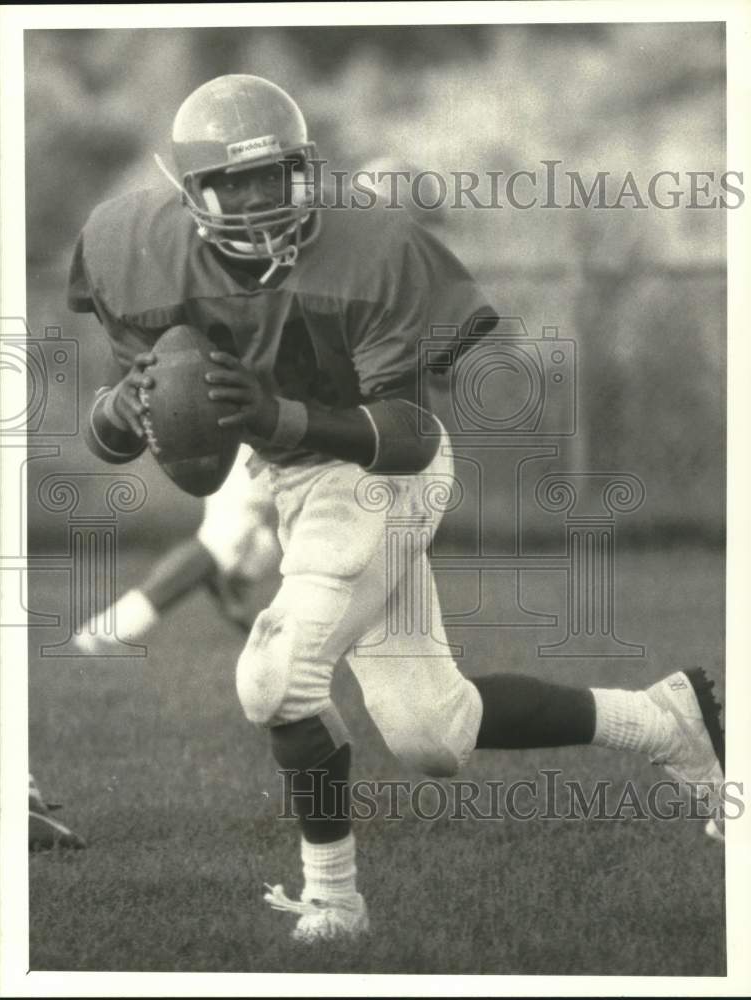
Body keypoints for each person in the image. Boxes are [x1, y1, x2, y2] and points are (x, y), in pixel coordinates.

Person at [68, 75, 725, 944]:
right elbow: (117, 433)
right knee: (432, 731)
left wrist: (275, 416)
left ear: (309, 170)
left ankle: (334, 903)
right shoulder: (131, 246)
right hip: (294, 481)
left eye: (278, 177)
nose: (262, 201)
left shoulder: (373, 249)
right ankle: (672, 721)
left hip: (380, 472)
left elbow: (412, 436)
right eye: (237, 183)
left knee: (274, 678)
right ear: (193, 193)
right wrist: (124, 407)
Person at [72, 444, 281, 652]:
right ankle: (110, 629)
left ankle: (225, 581)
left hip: (269, 452)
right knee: (219, 543)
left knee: (262, 547)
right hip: (254, 446)